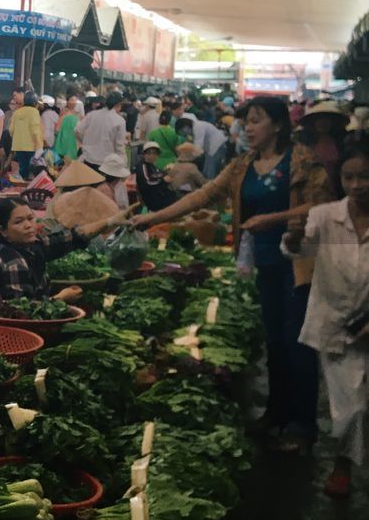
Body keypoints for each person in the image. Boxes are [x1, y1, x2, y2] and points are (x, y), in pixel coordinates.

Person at [137, 96, 331, 450]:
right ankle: (277, 412)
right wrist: (153, 217)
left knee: (297, 344)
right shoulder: (243, 164)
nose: (247, 128)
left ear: (277, 124)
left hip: (300, 263)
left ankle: (302, 426)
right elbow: (204, 196)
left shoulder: (301, 160)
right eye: (245, 122)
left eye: (255, 121)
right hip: (265, 265)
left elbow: (323, 205)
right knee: (272, 339)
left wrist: (271, 219)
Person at [282, 138, 369, 498]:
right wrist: (295, 236)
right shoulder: (324, 216)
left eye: (364, 177)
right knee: (351, 406)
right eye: (349, 177)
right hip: (337, 325)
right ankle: (343, 465)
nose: (356, 185)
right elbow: (299, 249)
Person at [0, 196, 117, 301]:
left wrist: (110, 221)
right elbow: (22, 314)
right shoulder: (13, 263)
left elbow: (73, 237)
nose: (28, 225)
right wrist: (61, 298)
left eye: (30, 218)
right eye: (18, 222)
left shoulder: (32, 245)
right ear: (4, 231)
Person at [298, 100, 349, 200]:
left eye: (326, 119)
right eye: (319, 119)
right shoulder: (304, 142)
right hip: (310, 193)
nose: (322, 123)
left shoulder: (341, 143)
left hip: (336, 192)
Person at [75, 91, 127, 171]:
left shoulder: (92, 114)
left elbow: (77, 130)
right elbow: (119, 146)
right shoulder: (120, 121)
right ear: (118, 105)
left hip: (87, 159)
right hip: (106, 163)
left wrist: (85, 142)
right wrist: (123, 163)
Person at [9, 90, 43, 180]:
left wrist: (18, 138)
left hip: (18, 146)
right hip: (31, 147)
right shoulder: (34, 112)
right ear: (35, 102)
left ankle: (21, 191)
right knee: (32, 173)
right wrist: (39, 146)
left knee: (23, 170)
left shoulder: (17, 112)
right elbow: (35, 130)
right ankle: (29, 191)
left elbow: (11, 130)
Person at [136, 140, 178, 212]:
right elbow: (148, 182)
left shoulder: (152, 165)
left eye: (156, 153)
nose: (154, 155)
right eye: (151, 153)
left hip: (158, 195)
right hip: (151, 198)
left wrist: (165, 172)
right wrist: (164, 180)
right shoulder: (143, 166)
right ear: (145, 154)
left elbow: (157, 176)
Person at [54, 96, 81, 165]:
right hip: (73, 147)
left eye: (75, 100)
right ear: (68, 101)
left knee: (62, 166)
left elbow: (56, 129)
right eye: (72, 100)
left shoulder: (63, 114)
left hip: (63, 146)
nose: (74, 102)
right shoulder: (78, 115)